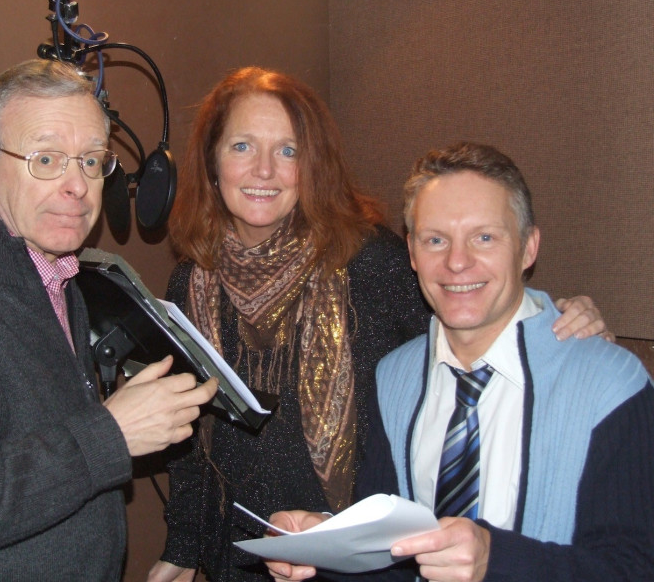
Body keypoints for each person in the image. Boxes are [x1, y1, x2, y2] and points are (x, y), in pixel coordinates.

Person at [147, 69, 610, 582]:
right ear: (213, 162)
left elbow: (475, 329)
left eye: (288, 151)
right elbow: (188, 430)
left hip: (352, 562)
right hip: (236, 554)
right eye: (241, 146)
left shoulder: (372, 263)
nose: (263, 170)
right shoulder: (191, 281)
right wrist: (182, 548)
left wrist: (554, 323)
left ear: (313, 165)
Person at [0, 58, 218, 581]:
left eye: (91, 162)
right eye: (46, 159)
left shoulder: (48, 269)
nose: (77, 186)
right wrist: (110, 434)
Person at [265, 142, 654, 582]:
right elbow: (392, 558)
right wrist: (325, 546)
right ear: (411, 253)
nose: (456, 262)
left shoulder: (611, 384)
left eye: (484, 237)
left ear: (528, 248)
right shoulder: (395, 377)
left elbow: (635, 567)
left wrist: (497, 561)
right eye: (435, 240)